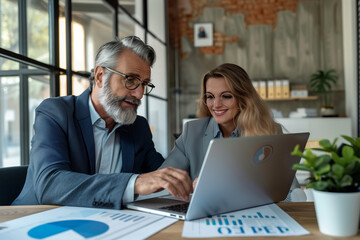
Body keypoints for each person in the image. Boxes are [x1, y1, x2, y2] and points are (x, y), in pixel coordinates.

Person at [12, 36, 193, 208]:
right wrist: (134, 183)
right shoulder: (56, 113)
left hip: (106, 225)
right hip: (37, 222)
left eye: (144, 84)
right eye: (130, 80)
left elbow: (162, 174)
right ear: (100, 76)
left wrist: (193, 178)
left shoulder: (138, 127)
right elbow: (50, 185)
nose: (138, 94)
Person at [160, 63, 303, 201]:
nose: (216, 105)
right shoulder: (192, 132)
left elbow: (292, 193)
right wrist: (191, 190)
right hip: (205, 217)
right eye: (210, 96)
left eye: (226, 96)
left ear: (243, 98)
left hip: (254, 216)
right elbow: (162, 183)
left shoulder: (270, 130)